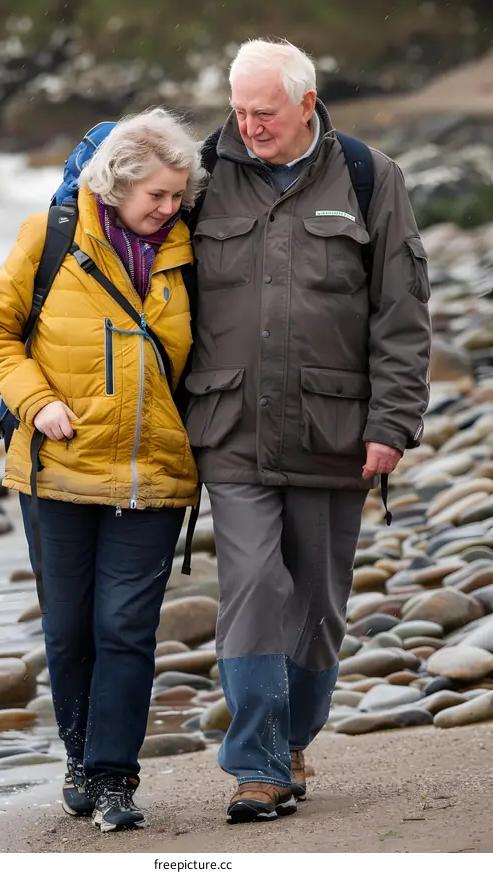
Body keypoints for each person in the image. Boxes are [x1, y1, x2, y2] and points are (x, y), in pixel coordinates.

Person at [183, 39, 431, 823]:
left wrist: (392, 422)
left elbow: (402, 312)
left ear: (306, 101)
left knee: (318, 603)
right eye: (239, 110)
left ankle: (294, 739)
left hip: (334, 428)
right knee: (251, 586)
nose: (247, 126)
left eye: (263, 112)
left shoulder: (368, 176)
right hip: (231, 427)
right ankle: (256, 766)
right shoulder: (200, 174)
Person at [0, 109, 205, 832]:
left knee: (126, 628)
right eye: (157, 196)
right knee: (69, 628)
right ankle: (77, 755)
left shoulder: (193, 250)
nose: (169, 209)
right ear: (117, 184)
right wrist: (36, 402)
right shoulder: (53, 236)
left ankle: (113, 777)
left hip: (154, 471)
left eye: (178, 196)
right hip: (58, 470)